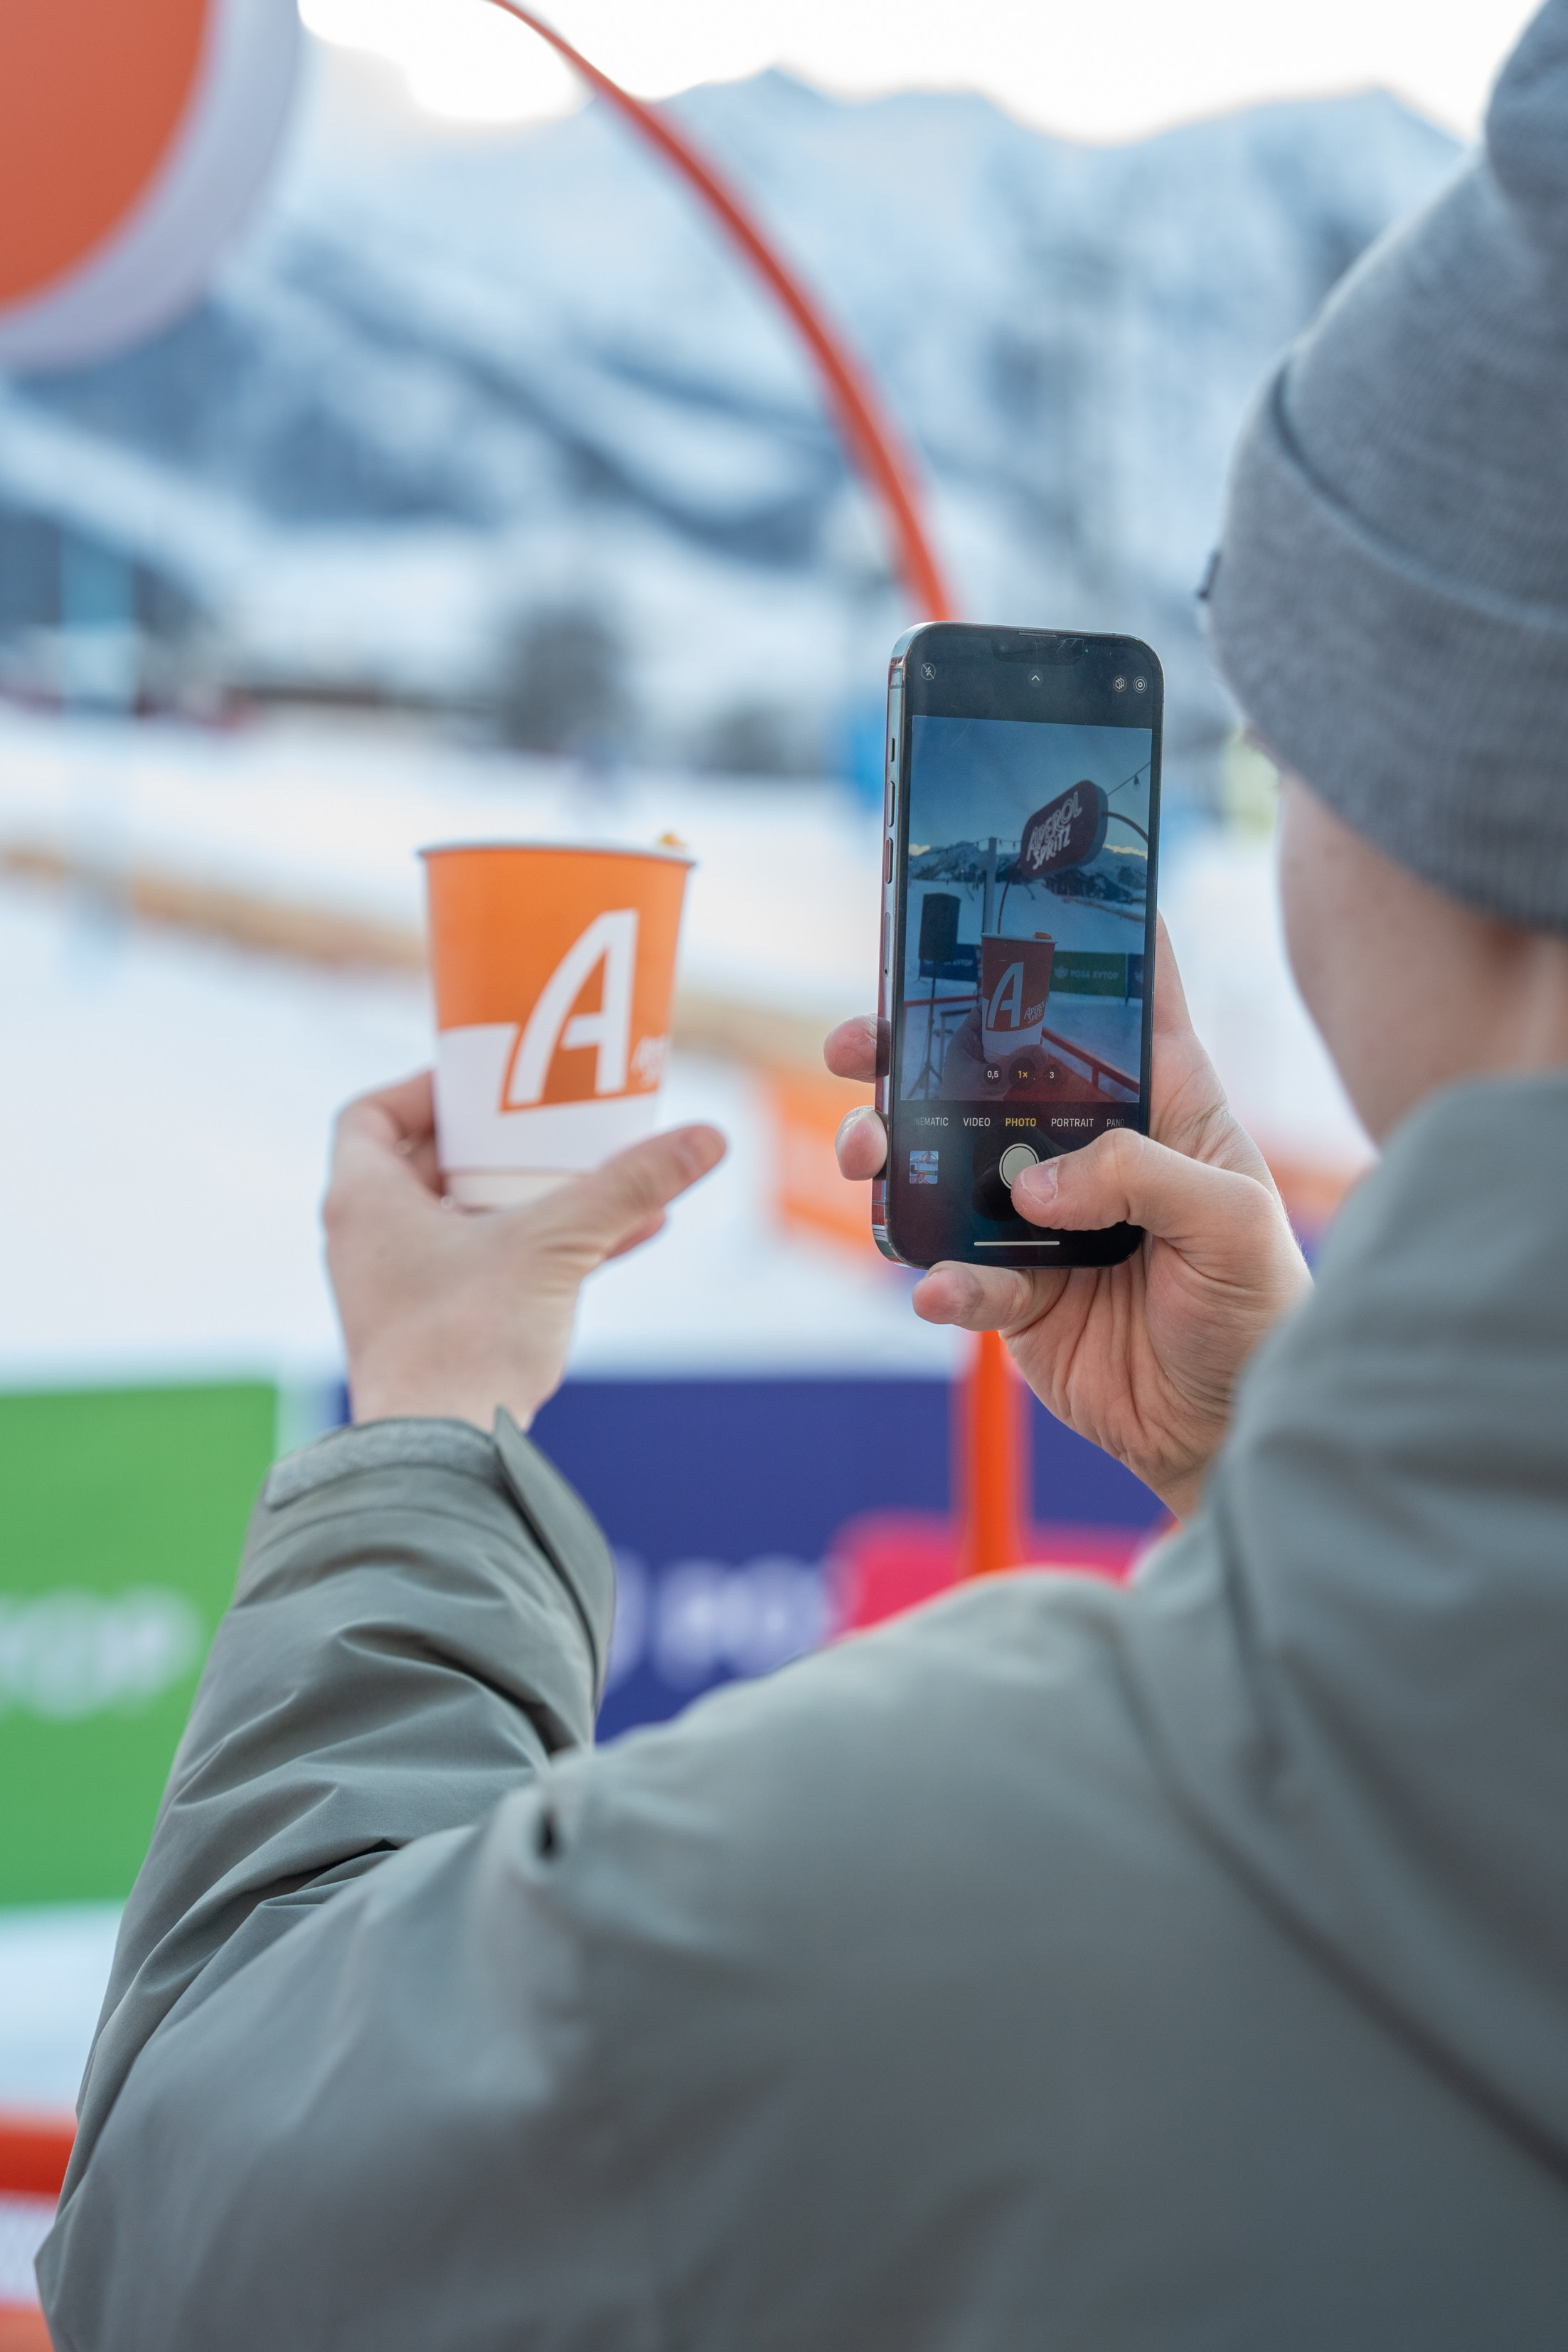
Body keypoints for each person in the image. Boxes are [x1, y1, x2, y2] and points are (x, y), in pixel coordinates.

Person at [39, 8, 1568, 2345]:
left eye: (1284, 688)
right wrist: (1296, 1447)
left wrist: (437, 1415)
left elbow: (201, 2210)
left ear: (1450, 799)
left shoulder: (913, 1914)